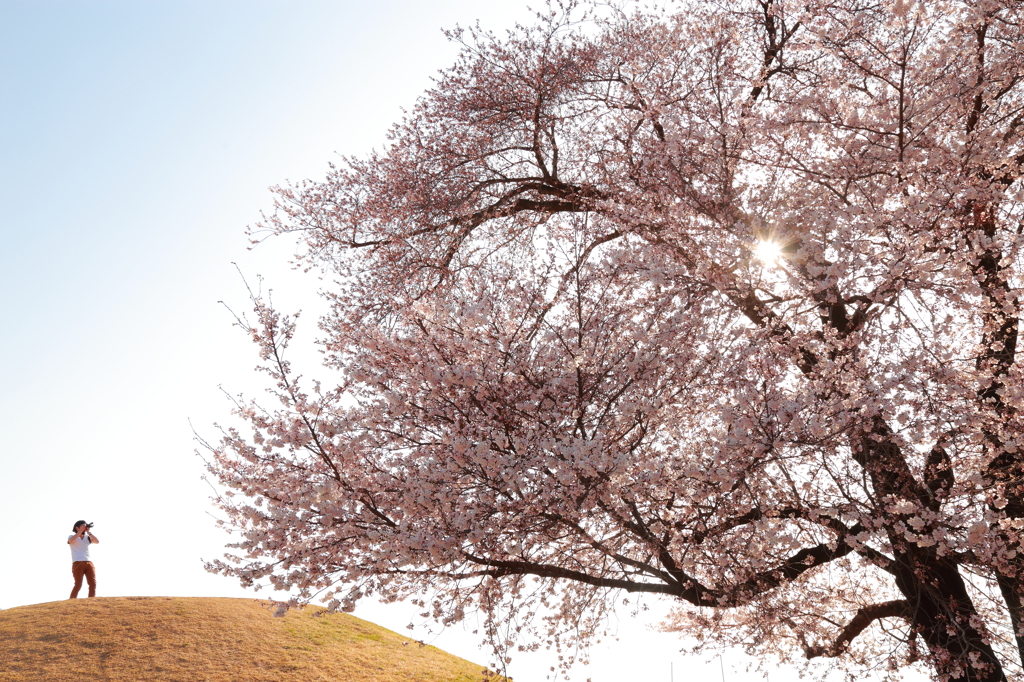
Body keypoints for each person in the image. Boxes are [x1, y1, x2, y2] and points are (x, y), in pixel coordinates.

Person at [67, 520, 100, 598]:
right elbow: (70, 541)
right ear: (77, 528)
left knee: (93, 582)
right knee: (78, 584)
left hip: (89, 562)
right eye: (83, 526)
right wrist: (80, 531)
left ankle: (91, 599)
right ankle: (72, 601)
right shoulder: (71, 537)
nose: (85, 527)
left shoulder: (87, 537)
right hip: (77, 562)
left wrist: (89, 532)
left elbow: (97, 541)